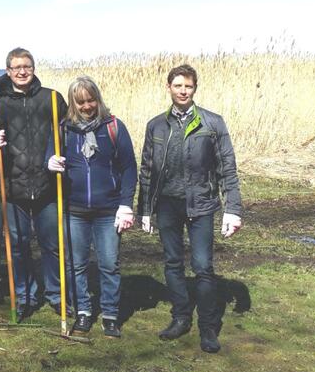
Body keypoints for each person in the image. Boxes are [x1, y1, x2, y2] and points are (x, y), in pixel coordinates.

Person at [138, 64, 242, 354]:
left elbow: (227, 168)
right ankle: (181, 317)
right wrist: (144, 209)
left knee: (202, 267)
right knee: (172, 263)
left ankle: (208, 327)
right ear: (169, 87)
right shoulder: (156, 125)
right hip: (168, 205)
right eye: (178, 86)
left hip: (202, 205)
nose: (183, 91)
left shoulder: (212, 123)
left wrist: (233, 208)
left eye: (188, 86)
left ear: (195, 89)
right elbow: (147, 169)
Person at [0, 47, 67, 320]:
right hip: (13, 187)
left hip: (47, 187)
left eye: (26, 67)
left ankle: (56, 294)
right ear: (8, 71)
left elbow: (66, 134)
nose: (22, 72)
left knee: (52, 245)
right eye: (16, 67)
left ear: (33, 68)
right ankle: (25, 296)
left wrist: (58, 156)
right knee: (17, 248)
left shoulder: (52, 98)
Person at [47, 76, 136, 338]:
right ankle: (84, 311)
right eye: (81, 102)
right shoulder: (63, 129)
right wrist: (49, 161)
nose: (87, 106)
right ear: (73, 103)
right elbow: (48, 156)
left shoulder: (113, 127)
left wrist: (126, 204)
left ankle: (110, 314)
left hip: (108, 210)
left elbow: (129, 168)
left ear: (98, 98)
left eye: (90, 100)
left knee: (109, 263)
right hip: (74, 210)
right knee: (77, 264)